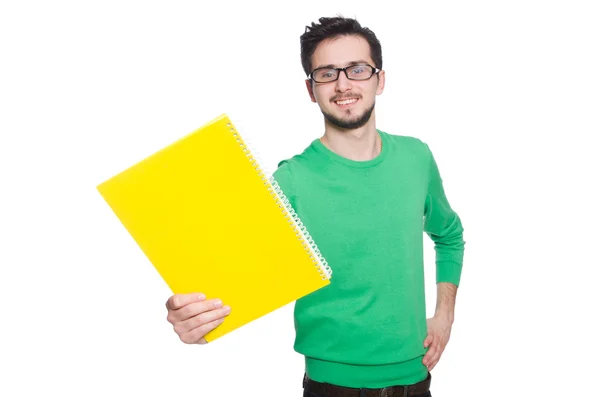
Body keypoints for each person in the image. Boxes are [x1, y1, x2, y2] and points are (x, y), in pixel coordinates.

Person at [165, 16, 465, 397]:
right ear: (311, 89)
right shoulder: (290, 182)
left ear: (380, 79)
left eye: (357, 70)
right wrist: (193, 321)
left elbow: (450, 234)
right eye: (327, 73)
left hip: (416, 380)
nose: (343, 84)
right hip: (331, 388)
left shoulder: (416, 157)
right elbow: (230, 283)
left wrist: (445, 315)